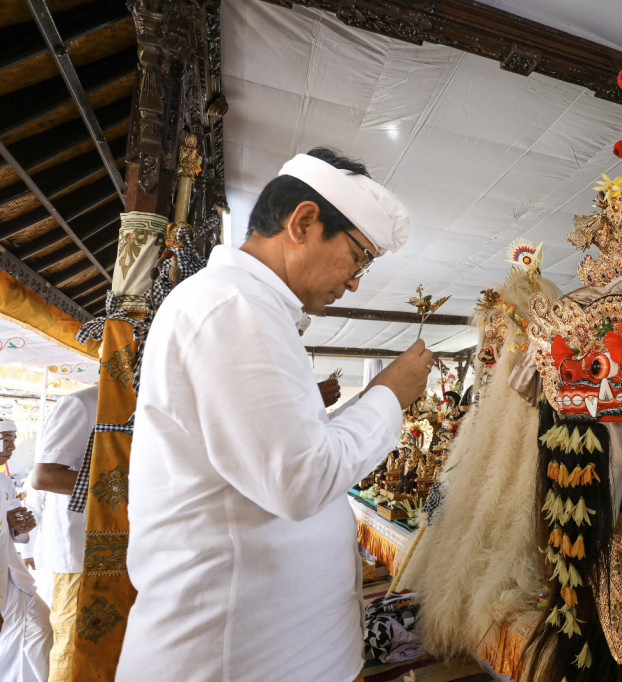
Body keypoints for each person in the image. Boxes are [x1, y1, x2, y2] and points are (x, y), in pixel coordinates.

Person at [116, 148, 432, 682]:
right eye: (359, 257)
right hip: (234, 655)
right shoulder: (232, 307)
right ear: (304, 222)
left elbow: (293, 452)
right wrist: (388, 394)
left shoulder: (249, 308)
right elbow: (300, 479)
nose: (356, 281)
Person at [30, 384, 99, 681]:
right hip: (82, 553)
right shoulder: (83, 403)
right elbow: (44, 476)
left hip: (133, 547)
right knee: (76, 647)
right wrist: (130, 488)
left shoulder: (153, 398)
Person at [0, 420, 53, 682]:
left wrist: (21, 528)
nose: (11, 446)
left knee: (41, 630)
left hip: (13, 576)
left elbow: (14, 537)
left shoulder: (4, 481)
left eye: (13, 438)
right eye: (5, 438)